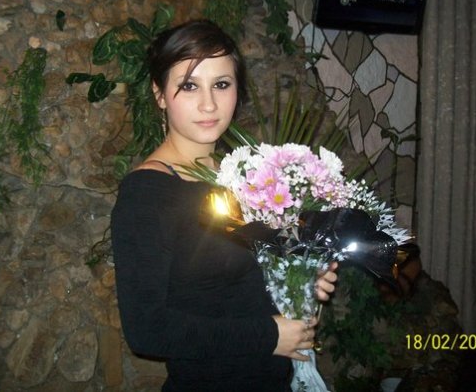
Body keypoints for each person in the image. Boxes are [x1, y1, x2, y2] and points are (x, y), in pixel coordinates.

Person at [111, 20, 338, 392]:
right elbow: (146, 330)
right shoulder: (148, 193)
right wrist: (268, 336)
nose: (208, 104)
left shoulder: (244, 176)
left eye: (221, 84)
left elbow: (238, 286)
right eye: (189, 85)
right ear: (160, 94)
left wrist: (300, 280)